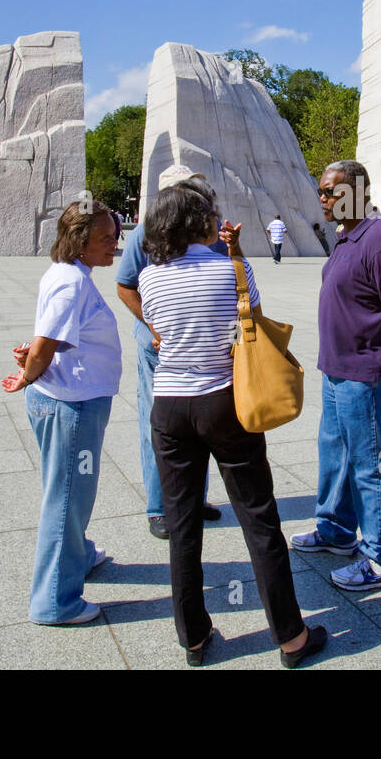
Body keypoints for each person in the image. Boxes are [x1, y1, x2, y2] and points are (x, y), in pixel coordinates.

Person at [139, 181, 326, 668]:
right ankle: (290, 636)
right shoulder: (233, 271)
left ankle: (194, 638)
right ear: (203, 222)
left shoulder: (150, 278)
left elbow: (160, 334)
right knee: (259, 518)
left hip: (168, 406)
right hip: (225, 402)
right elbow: (254, 326)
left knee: (182, 527)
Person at [290, 160, 381, 592]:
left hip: (368, 374)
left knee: (375, 464)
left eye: (330, 191)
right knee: (338, 456)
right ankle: (336, 531)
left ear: (358, 192)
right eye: (321, 192)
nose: (323, 199)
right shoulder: (349, 236)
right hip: (338, 371)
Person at [2, 200, 122, 626]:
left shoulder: (69, 275)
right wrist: (29, 372)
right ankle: (55, 601)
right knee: (68, 498)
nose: (116, 243)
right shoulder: (71, 281)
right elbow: (47, 338)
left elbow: (55, 338)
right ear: (79, 241)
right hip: (71, 406)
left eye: (115, 234)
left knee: (68, 491)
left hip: (73, 398)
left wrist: (34, 361)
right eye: (106, 238)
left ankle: (78, 553)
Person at [115, 165, 224, 541]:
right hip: (158, 349)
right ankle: (161, 506)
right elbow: (125, 286)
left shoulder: (208, 231)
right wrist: (155, 327)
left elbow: (227, 276)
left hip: (204, 348)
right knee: (159, 426)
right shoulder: (145, 234)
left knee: (204, 425)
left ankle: (195, 499)